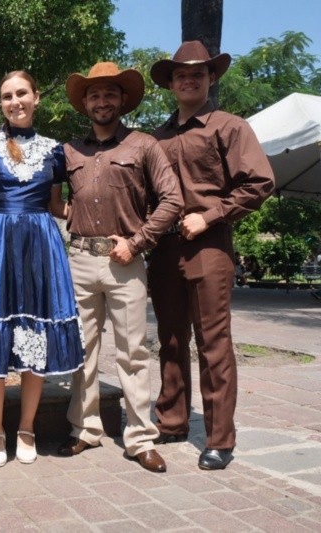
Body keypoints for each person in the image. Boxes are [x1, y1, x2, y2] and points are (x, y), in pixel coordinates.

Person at [148, 41, 275, 470]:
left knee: (213, 342)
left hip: (209, 247)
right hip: (164, 250)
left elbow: (259, 182)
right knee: (168, 337)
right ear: (170, 82)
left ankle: (220, 437)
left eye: (198, 73)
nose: (189, 79)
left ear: (211, 78)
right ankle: (172, 419)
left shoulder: (229, 126)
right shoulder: (157, 137)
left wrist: (211, 214)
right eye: (181, 74)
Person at [51, 62, 183, 472]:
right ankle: (85, 429)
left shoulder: (143, 145)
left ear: (122, 100)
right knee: (82, 351)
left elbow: (173, 200)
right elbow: (51, 197)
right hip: (79, 259)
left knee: (132, 352)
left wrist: (138, 242)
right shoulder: (69, 150)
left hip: (124, 260)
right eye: (94, 94)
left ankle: (141, 437)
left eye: (110, 93)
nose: (102, 100)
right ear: (85, 103)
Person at [0, 70, 84, 467]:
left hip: (39, 245)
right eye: (6, 96)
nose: (14, 101)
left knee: (35, 333)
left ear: (36, 97)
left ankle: (26, 428)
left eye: (21, 94)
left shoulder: (54, 150)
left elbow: (55, 203)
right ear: (1, 103)